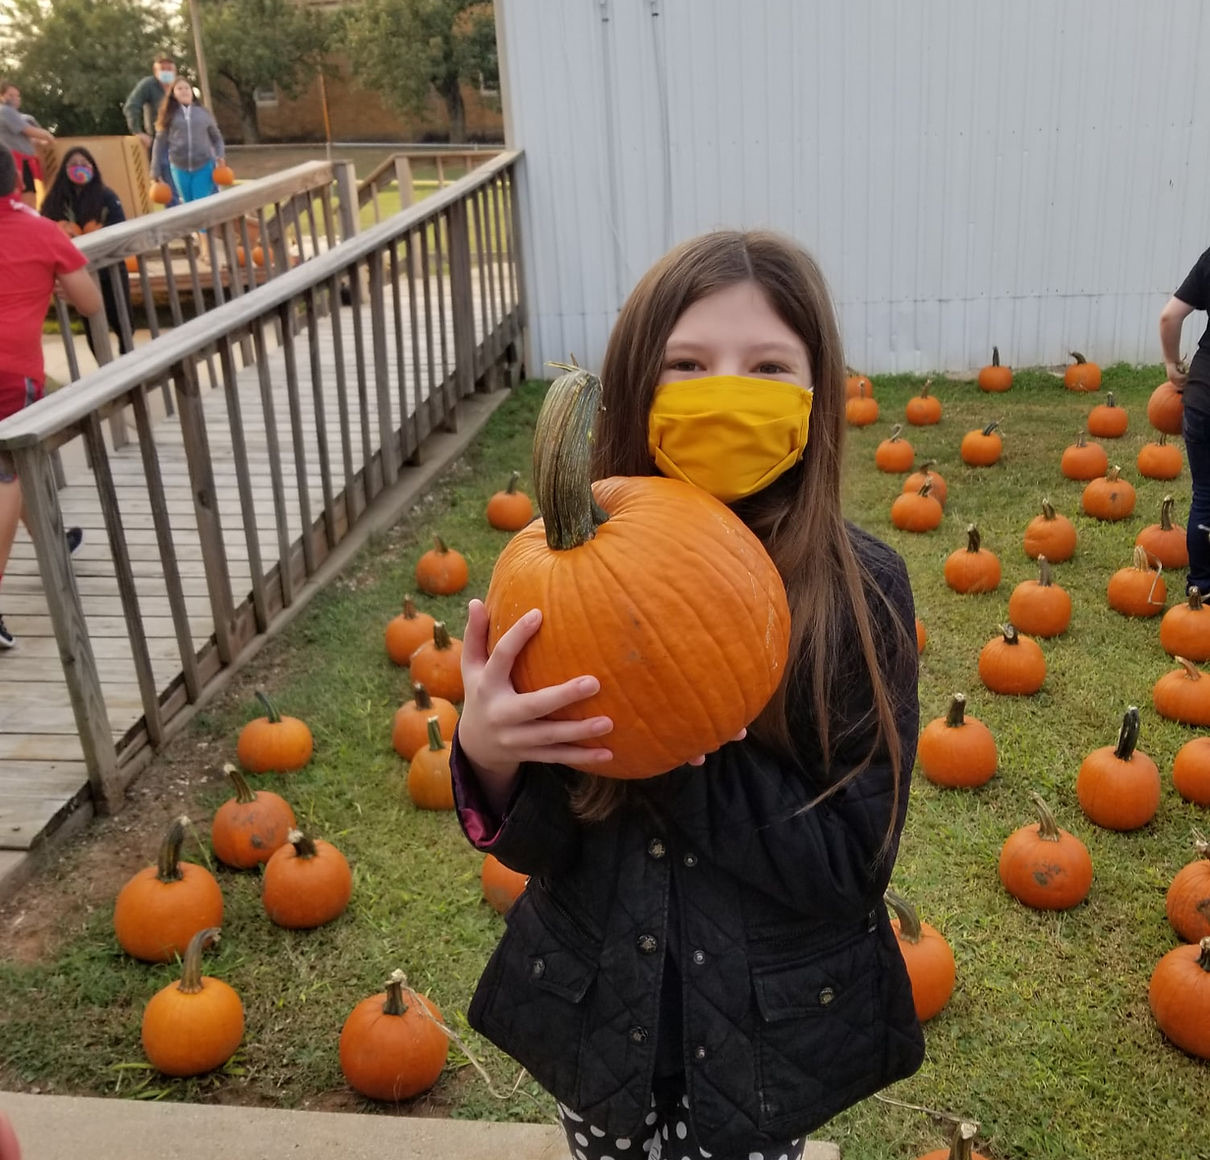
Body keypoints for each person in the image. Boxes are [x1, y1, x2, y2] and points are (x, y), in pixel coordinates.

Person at [452, 230, 924, 1159]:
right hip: (602, 1024)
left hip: (765, 1040)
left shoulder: (859, 591)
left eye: (767, 366)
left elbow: (850, 866)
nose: (728, 391)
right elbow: (548, 847)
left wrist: (678, 747)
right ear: (636, 386)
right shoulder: (557, 578)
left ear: (816, 394)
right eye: (689, 364)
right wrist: (491, 757)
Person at [0, 147, 99, 648]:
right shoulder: (41, 230)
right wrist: (54, 282)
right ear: (16, 183)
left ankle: (52, 543)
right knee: (9, 472)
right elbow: (90, 302)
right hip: (11, 372)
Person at [40, 146, 135, 359]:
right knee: (92, 321)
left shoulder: (106, 196)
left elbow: (119, 226)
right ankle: (104, 366)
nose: (80, 168)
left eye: (85, 164)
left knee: (122, 318)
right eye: (74, 164)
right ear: (64, 169)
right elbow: (44, 229)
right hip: (77, 272)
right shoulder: (54, 201)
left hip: (109, 268)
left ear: (93, 168)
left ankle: (128, 358)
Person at [1160, 257, 1210, 595]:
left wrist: (1171, 362)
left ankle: (1202, 585)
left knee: (1205, 494)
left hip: (1204, 398)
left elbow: (1170, 316)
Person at [151, 78, 225, 205]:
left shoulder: (203, 113)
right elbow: (159, 143)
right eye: (180, 89)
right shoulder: (169, 116)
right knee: (188, 205)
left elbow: (217, 138)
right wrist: (155, 171)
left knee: (199, 204)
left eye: (187, 88)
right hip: (179, 168)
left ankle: (202, 226)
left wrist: (220, 156)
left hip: (204, 166)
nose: (184, 91)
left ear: (192, 92)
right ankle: (201, 226)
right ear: (173, 94)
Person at [123, 53, 179, 206]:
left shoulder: (180, 86)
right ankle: (179, 226)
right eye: (163, 68)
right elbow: (131, 106)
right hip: (162, 141)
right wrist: (138, 131)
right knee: (169, 188)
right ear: (156, 71)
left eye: (170, 68)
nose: (166, 72)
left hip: (183, 141)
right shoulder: (148, 85)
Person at [0, 82, 53, 208]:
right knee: (27, 200)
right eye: (10, 95)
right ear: (1, 96)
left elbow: (30, 138)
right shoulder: (6, 111)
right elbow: (31, 131)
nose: (15, 99)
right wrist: (48, 136)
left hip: (21, 162)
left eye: (17, 96)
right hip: (17, 162)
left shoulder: (20, 116)